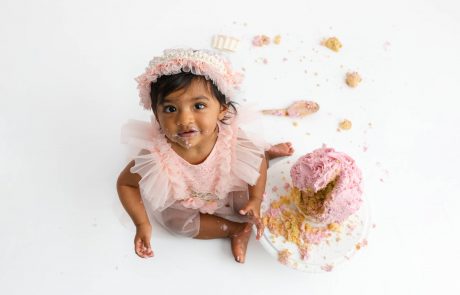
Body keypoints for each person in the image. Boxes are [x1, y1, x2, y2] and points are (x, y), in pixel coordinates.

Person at [117, 49, 294, 263]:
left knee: (248, 187)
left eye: (199, 106)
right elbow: (126, 184)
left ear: (222, 109)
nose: (184, 119)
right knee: (176, 224)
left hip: (228, 180)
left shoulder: (231, 141)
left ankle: (267, 152)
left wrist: (255, 200)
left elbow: (253, 161)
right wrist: (141, 224)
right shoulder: (156, 156)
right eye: (171, 109)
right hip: (188, 196)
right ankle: (234, 230)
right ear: (156, 114)